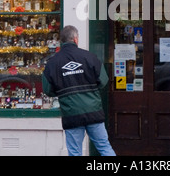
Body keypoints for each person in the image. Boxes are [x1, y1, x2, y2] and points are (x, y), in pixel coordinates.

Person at [42, 25, 115, 156]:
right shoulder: (90, 57)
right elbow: (103, 81)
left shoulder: (52, 63)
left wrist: (62, 92)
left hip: (71, 114)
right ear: (75, 39)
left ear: (61, 41)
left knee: (75, 152)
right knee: (104, 148)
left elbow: (48, 90)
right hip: (93, 111)